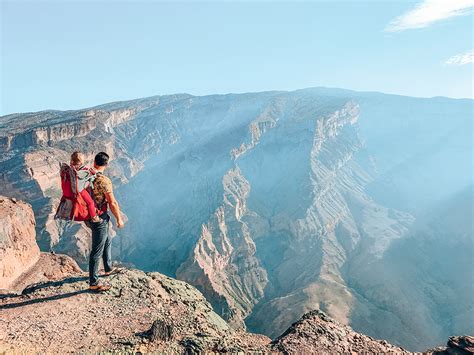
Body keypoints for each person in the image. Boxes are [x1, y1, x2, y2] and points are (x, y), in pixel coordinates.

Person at [86, 151, 125, 292]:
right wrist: (119, 219)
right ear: (106, 164)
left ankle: (108, 268)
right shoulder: (104, 181)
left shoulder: (86, 175)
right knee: (96, 250)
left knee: (107, 239)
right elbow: (112, 202)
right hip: (98, 218)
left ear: (94, 162)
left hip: (88, 216)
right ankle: (93, 282)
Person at [69, 151, 100, 223]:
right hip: (81, 190)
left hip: (73, 188)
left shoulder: (71, 167)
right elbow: (88, 176)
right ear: (80, 161)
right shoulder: (84, 171)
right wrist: (94, 174)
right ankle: (94, 217)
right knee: (90, 202)